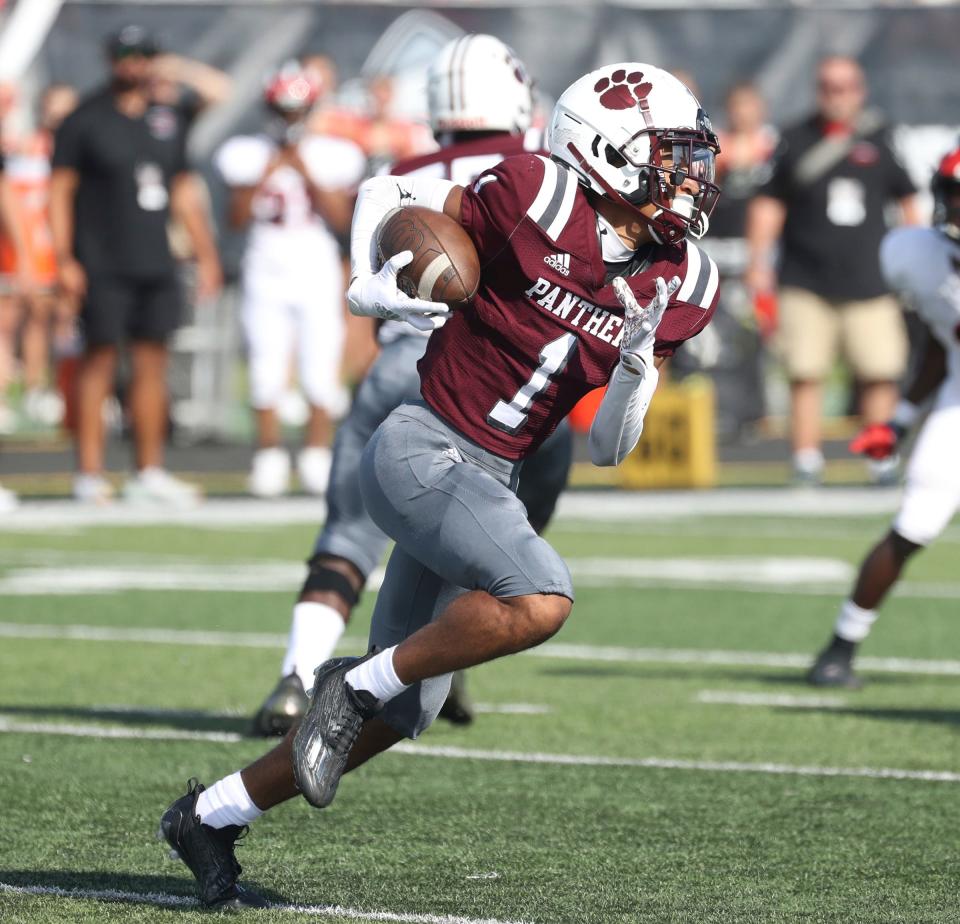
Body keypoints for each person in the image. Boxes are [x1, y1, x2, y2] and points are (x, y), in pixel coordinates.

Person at [159, 61, 722, 909]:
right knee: (540, 598)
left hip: (493, 474)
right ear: (604, 151)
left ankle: (210, 815)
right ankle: (345, 684)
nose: (688, 178)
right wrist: (372, 286)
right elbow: (388, 197)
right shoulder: (537, 193)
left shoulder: (685, 278)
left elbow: (608, 448)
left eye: (692, 157)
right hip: (422, 445)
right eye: (668, 155)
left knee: (405, 709)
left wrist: (638, 375)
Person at [249, 34, 572, 736]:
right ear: (517, 97)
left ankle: (296, 678)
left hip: (394, 366)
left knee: (345, 533)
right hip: (486, 388)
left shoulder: (407, 170)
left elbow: (369, 284)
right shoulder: (538, 176)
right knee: (493, 544)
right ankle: (441, 659)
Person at [48, 25, 222, 505]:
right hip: (101, 259)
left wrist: (207, 255)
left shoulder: (164, 118)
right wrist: (64, 259)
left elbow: (183, 189)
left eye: (143, 54)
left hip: (155, 260)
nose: (135, 63)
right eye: (126, 54)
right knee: (98, 362)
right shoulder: (84, 118)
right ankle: (89, 472)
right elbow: (59, 190)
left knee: (152, 365)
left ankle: (149, 470)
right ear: (110, 60)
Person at [807, 147, 960, 687]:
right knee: (912, 524)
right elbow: (943, 348)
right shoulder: (914, 252)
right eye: (957, 195)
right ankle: (840, 647)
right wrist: (898, 420)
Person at [745, 56, 919, 485]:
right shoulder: (794, 139)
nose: (837, 96)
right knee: (805, 374)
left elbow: (908, 201)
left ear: (860, 90)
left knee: (879, 374)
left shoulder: (882, 138)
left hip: (871, 280)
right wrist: (757, 264)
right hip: (806, 279)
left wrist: (915, 261)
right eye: (829, 87)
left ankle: (880, 457)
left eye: (845, 87)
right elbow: (768, 206)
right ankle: (807, 460)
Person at [215, 62, 364, 497]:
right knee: (266, 363)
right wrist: (269, 166)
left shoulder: (334, 153)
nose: (289, 118)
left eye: (296, 110)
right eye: (283, 110)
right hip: (265, 265)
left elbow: (341, 220)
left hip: (315, 265)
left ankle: (317, 455)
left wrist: (301, 165)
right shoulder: (246, 152)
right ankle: (269, 455)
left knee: (320, 364)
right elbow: (237, 217)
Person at [0, 84, 78, 429]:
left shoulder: (73, 150)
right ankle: (6, 392)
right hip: (15, 246)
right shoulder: (21, 148)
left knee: (46, 315)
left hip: (50, 244)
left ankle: (38, 387)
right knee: (7, 316)